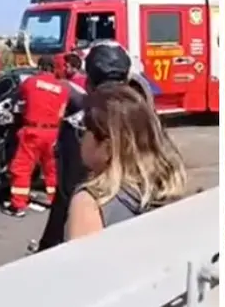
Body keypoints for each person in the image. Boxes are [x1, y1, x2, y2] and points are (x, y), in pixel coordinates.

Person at [37, 41, 134, 249]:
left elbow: (66, 192)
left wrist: (46, 248)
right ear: (127, 78)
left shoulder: (81, 125)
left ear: (88, 82)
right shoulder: (144, 118)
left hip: (90, 236)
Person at [66, 83, 187, 240]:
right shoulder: (167, 190)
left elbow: (79, 263)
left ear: (108, 147)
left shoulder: (89, 204)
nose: (80, 140)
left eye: (82, 132)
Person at [2, 55, 71, 217]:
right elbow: (61, 112)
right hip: (53, 132)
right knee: (52, 170)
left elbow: (17, 100)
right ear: (53, 68)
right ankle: (55, 202)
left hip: (32, 131)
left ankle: (18, 205)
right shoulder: (63, 89)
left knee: (22, 168)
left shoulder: (30, 82)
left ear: (39, 68)